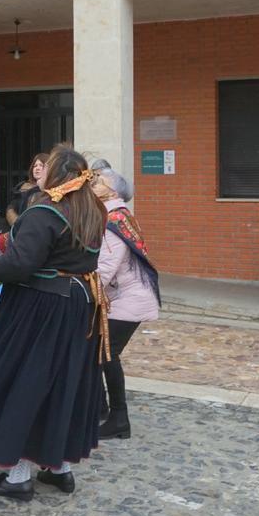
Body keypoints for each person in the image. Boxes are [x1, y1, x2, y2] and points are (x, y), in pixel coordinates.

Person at [0, 145, 107, 502]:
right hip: (80, 305)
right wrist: (6, 240)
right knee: (62, 384)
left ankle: (18, 476)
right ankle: (60, 469)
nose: (42, 170)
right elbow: (55, 246)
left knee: (23, 383)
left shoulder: (46, 210)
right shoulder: (93, 208)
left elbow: (21, 264)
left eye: (48, 166)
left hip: (41, 307)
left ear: (56, 174)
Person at [91, 163, 160, 441]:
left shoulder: (112, 221)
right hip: (124, 297)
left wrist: (82, 291)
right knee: (98, 352)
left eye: (97, 184)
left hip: (129, 299)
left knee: (106, 353)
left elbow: (106, 269)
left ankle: (118, 418)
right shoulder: (114, 215)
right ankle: (101, 408)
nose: (92, 187)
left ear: (111, 192)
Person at [5, 152, 49, 226]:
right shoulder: (22, 186)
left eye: (41, 165)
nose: (37, 168)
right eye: (35, 166)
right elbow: (11, 207)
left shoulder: (53, 189)